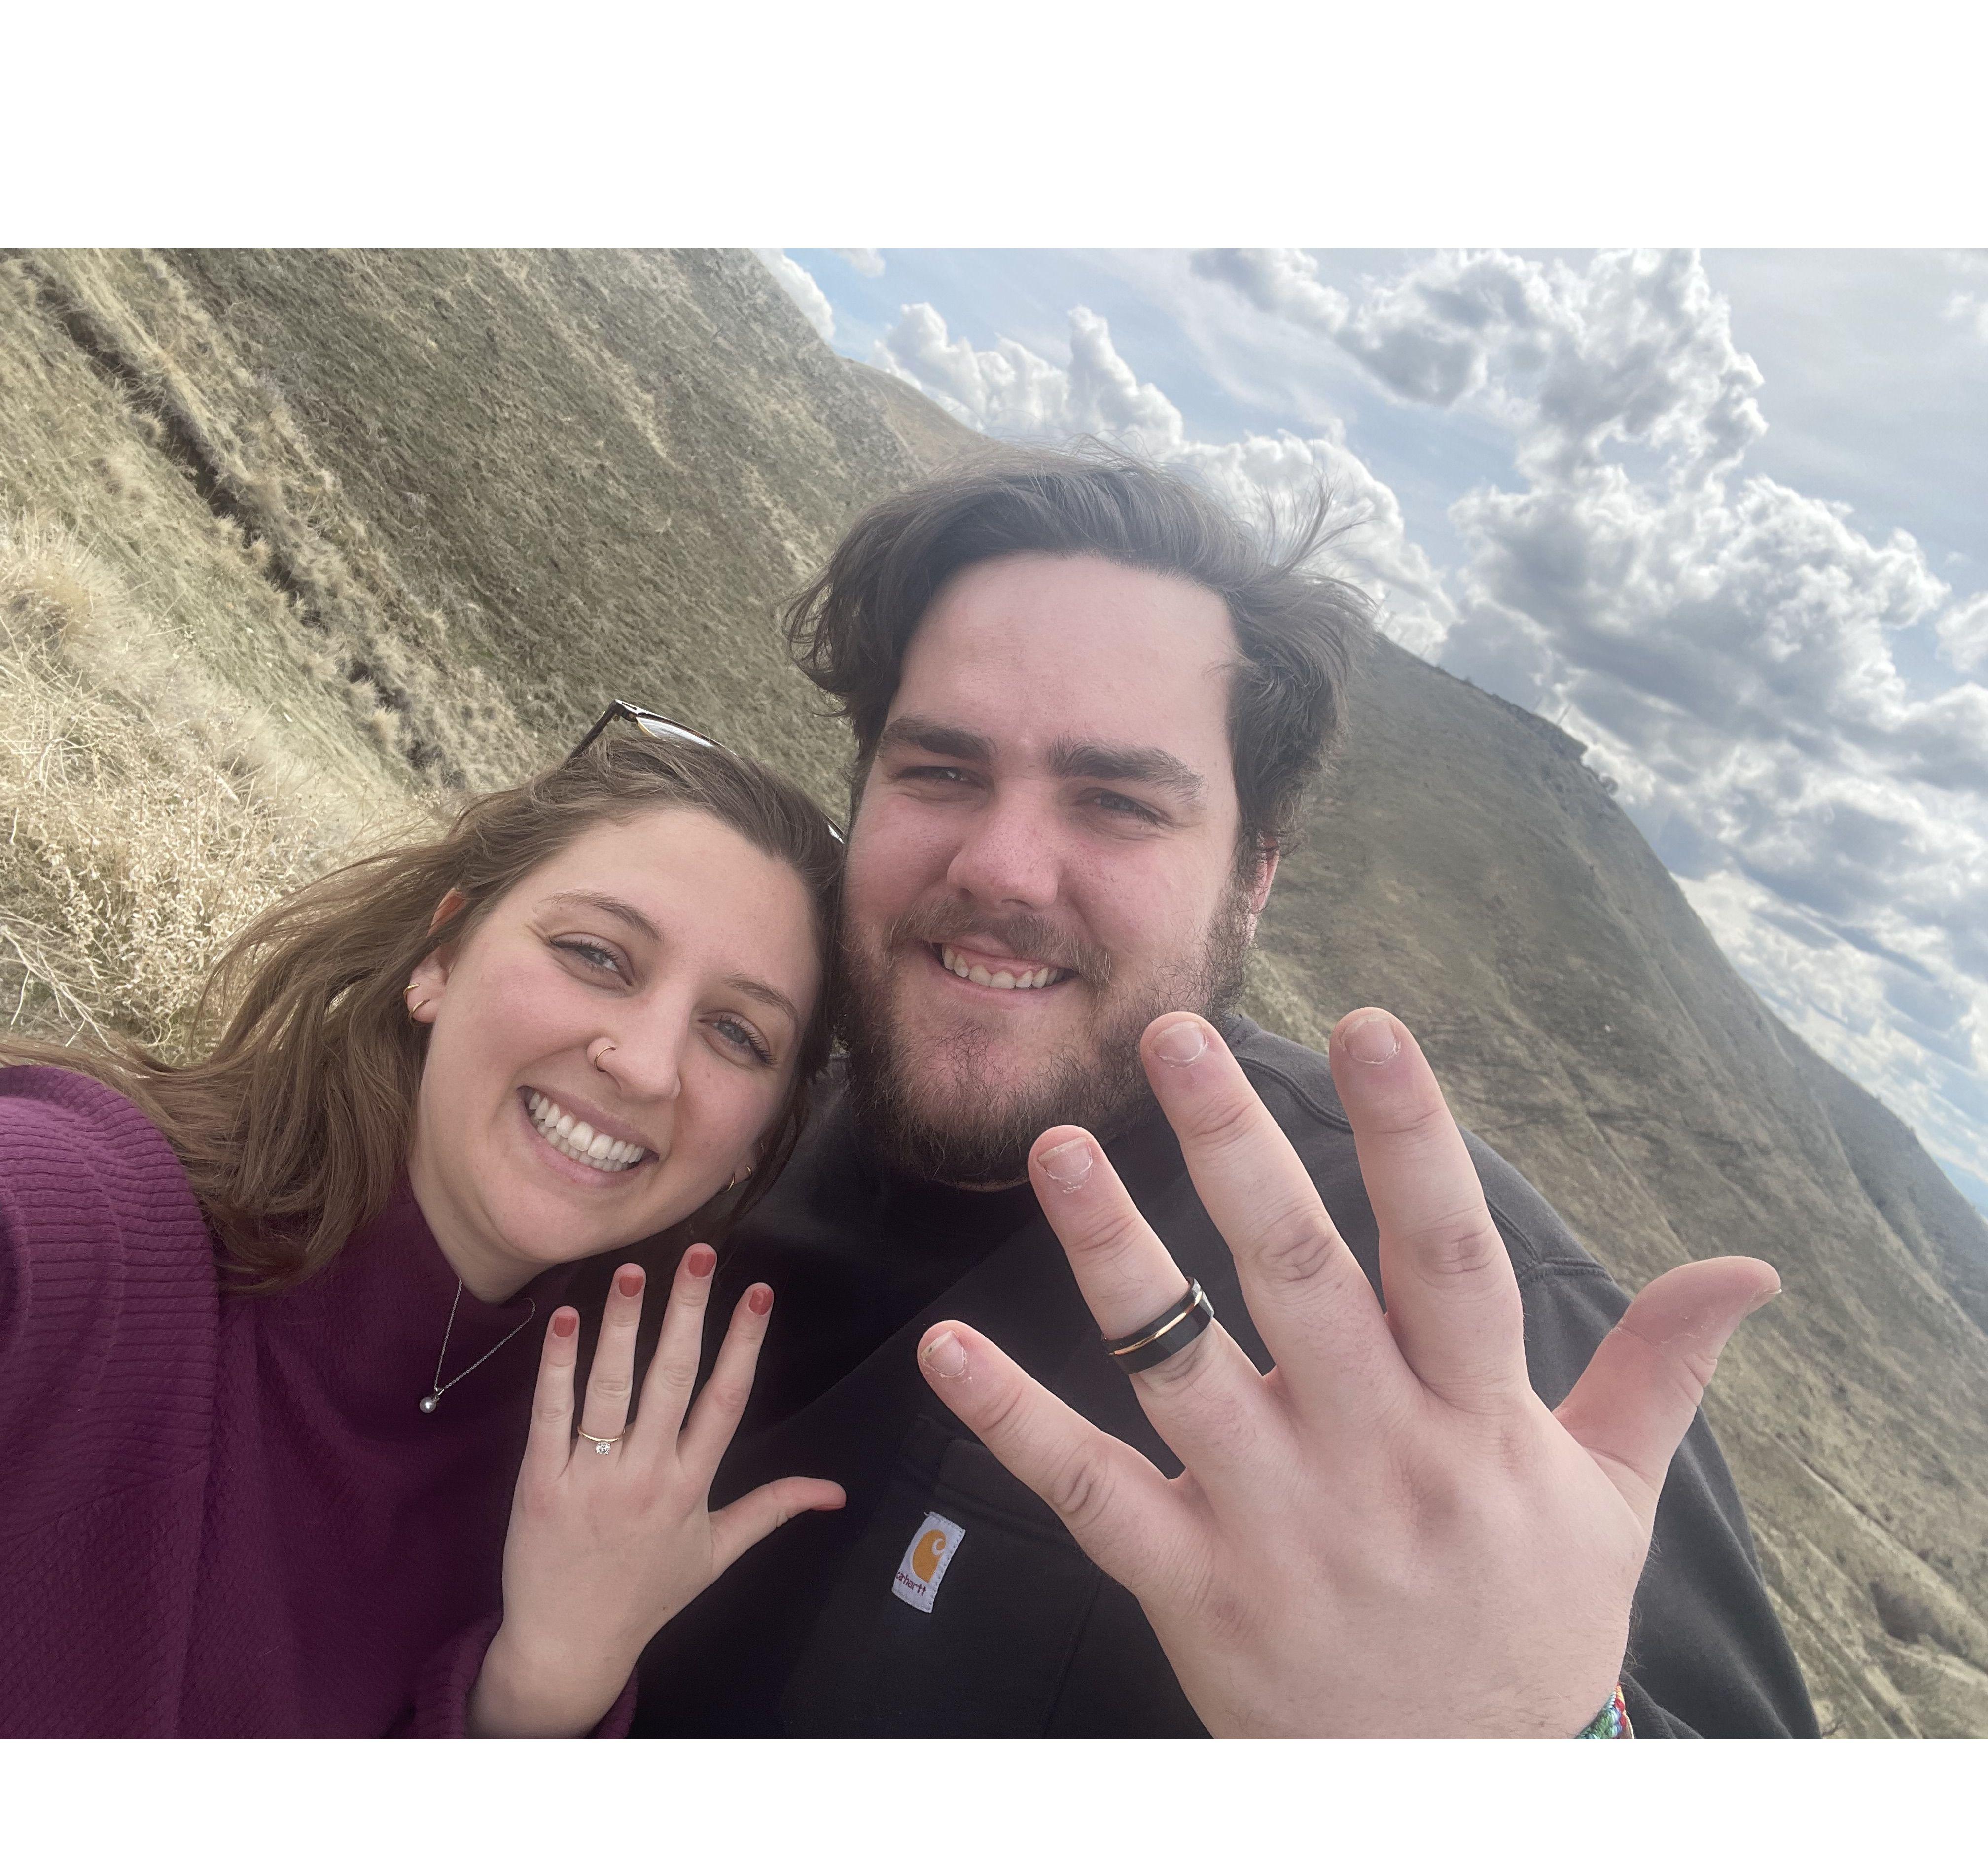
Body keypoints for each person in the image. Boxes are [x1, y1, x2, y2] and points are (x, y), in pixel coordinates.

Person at [628, 446, 1821, 1738]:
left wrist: (1532, 1745)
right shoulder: (711, 1123)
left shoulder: (1453, 1325)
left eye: (1119, 802)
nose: (1003, 866)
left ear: (1251, 875)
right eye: (942, 771)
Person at [0, 722, 848, 1737]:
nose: (649, 1064)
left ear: (759, 1143)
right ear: (442, 958)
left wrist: (538, 1691)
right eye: (597, 955)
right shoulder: (69, 1228)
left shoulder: (603, 1502)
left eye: (737, 1034)